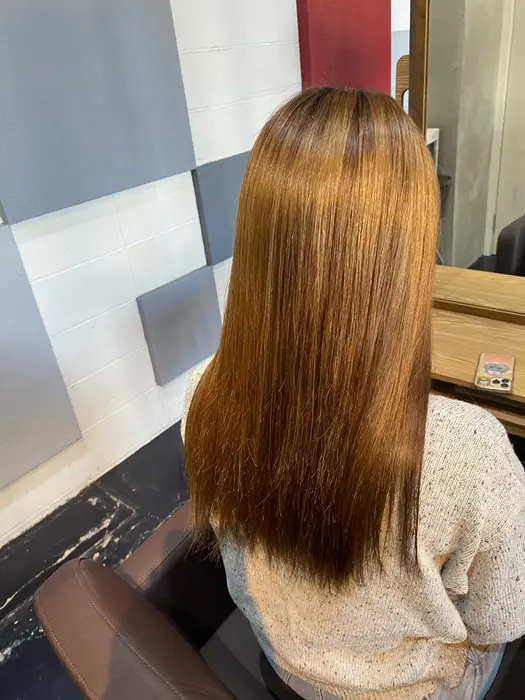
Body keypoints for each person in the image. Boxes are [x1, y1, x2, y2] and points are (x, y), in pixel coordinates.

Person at [182, 87, 525, 700]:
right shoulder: (472, 452)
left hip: (284, 667)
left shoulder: (204, 395)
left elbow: (238, 564)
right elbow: (499, 621)